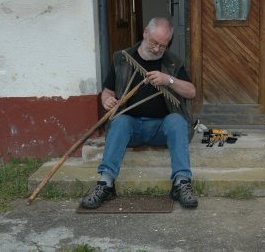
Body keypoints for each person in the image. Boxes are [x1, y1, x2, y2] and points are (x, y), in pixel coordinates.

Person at [81, 17, 198, 209]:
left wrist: (168, 79)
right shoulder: (123, 58)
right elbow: (108, 92)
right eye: (154, 42)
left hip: (160, 129)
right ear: (145, 33)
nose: (157, 49)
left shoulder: (171, 62)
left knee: (177, 121)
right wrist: (106, 100)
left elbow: (191, 92)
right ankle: (106, 183)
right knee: (119, 122)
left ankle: (181, 183)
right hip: (132, 129)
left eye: (163, 45)